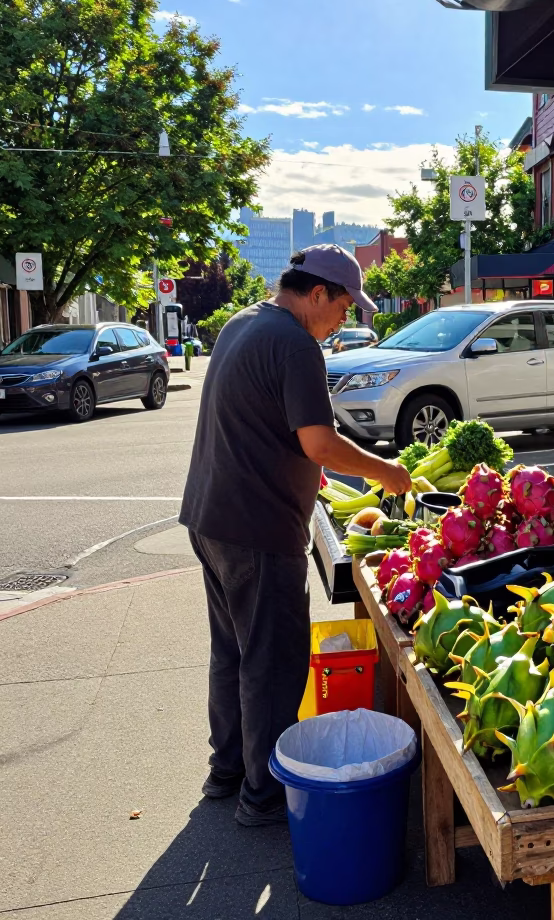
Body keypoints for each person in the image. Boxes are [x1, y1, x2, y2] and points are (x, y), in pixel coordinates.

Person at [179, 244, 412, 827]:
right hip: (257, 526)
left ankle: (226, 769)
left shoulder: (243, 323)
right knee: (273, 661)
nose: (344, 321)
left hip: (211, 516)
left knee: (232, 650)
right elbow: (318, 444)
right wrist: (387, 471)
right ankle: (262, 795)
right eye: (342, 307)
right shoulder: (295, 344)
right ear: (316, 294)